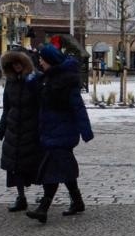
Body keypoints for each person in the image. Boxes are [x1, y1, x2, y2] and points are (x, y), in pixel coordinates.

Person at [27, 44, 95, 223]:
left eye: (42, 59)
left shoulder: (65, 81)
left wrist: (86, 131)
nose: (39, 61)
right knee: (64, 168)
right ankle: (78, 201)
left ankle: (43, 208)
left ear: (50, 60)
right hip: (50, 130)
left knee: (53, 170)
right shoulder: (47, 78)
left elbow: (77, 107)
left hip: (63, 132)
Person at [0, 49, 41, 212]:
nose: (16, 67)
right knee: (14, 165)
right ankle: (21, 196)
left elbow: (41, 103)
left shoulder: (35, 79)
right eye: (12, 64)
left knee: (33, 163)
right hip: (14, 127)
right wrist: (2, 129)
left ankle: (44, 195)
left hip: (31, 127)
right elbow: (6, 107)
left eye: (18, 63)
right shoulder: (11, 81)